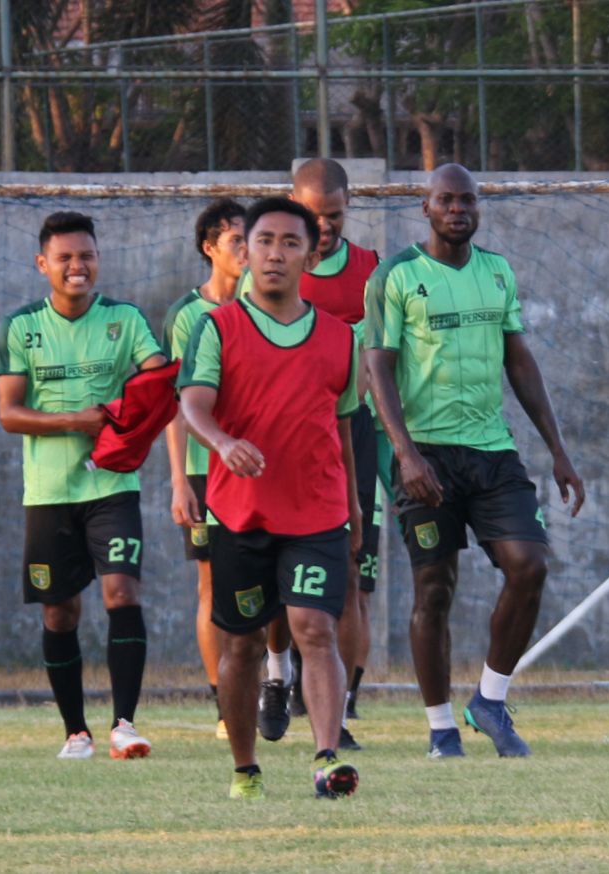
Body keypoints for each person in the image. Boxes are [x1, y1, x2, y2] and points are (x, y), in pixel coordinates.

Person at [364, 163, 585, 759]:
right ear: (426, 208)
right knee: (434, 589)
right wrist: (405, 453)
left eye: (468, 200)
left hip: (492, 453)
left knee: (530, 565)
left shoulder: (497, 272)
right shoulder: (397, 275)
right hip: (426, 458)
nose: (458, 209)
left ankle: (489, 699)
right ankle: (441, 729)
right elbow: (377, 365)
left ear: (478, 208)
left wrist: (558, 450)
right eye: (446, 200)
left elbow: (519, 361)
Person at [179, 197, 362, 800]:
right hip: (241, 513)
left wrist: (356, 507)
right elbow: (193, 405)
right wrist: (223, 442)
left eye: (290, 242)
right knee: (244, 642)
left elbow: (342, 429)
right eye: (264, 241)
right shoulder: (216, 327)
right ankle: (245, 769)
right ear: (245, 251)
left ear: (311, 253)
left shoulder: (340, 339)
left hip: (317, 512)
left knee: (314, 627)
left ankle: (327, 757)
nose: (275, 253)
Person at [0, 211, 165, 760]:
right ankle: (76, 731)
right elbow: (10, 414)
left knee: (122, 592)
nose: (77, 265)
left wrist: (131, 416)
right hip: (48, 493)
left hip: (113, 486)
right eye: (65, 257)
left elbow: (157, 381)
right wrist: (75, 421)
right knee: (59, 612)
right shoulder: (22, 326)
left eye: (86, 255)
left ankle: (124, 724)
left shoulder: (126, 319)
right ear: (43, 264)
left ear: (98, 260)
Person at [290, 158, 382, 751]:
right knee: (283, 573)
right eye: (313, 215)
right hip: (290, 439)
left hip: (357, 436)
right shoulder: (275, 270)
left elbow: (387, 358)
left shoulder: (373, 273)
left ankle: (341, 708)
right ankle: (280, 679)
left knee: (354, 577)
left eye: (335, 216)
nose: (324, 227)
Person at [162, 198, 247, 740]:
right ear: (209, 248)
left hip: (259, 467)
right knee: (212, 586)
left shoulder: (271, 305)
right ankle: (224, 704)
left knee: (271, 588)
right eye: (236, 241)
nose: (247, 250)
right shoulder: (187, 316)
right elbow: (174, 405)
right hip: (204, 472)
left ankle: (271, 689)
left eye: (251, 239)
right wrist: (177, 481)